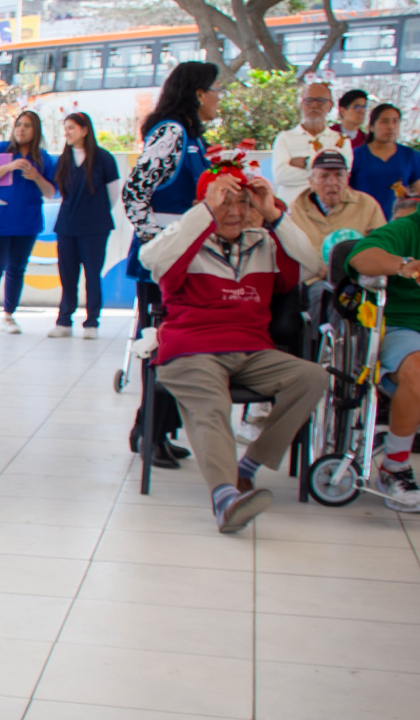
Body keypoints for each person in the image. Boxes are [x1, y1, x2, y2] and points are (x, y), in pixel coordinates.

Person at [141, 164, 325, 532]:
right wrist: (205, 212)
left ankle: (249, 467)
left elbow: (313, 263)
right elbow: (151, 260)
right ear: (205, 204)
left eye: (243, 202)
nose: (236, 212)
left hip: (251, 349)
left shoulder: (264, 243)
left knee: (312, 377)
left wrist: (274, 213)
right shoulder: (186, 240)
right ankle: (225, 498)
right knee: (212, 405)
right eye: (226, 202)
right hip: (191, 348)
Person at [121, 61, 221, 469]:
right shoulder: (171, 133)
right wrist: (158, 245)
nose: (219, 98)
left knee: (181, 342)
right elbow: (134, 192)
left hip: (189, 259)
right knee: (161, 344)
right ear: (198, 93)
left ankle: (158, 428)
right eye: (215, 90)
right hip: (164, 263)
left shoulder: (194, 138)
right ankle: (149, 432)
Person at [347, 209, 420, 509]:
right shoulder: (406, 230)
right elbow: (359, 258)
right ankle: (395, 466)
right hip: (405, 328)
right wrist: (404, 265)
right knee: (418, 373)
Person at [0, 110, 56, 335]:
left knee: (16, 269)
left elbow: (51, 192)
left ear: (35, 130)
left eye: (27, 125)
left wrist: (36, 177)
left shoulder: (42, 158)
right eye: (19, 124)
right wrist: (9, 167)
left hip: (27, 223)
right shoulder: (1, 150)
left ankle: (9, 316)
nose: (21, 129)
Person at [49, 111, 120, 338]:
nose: (67, 132)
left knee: (92, 274)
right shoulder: (64, 160)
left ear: (85, 130)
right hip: (67, 226)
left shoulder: (104, 158)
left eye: (72, 127)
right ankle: (64, 321)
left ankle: (91, 322)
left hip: (95, 227)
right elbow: (57, 192)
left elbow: (113, 193)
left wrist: (95, 214)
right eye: (66, 128)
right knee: (67, 274)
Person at [286, 149, 384, 293]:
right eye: (324, 176)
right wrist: (318, 268)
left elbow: (382, 245)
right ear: (311, 181)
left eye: (339, 175)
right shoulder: (295, 210)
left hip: (359, 279)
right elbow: (289, 253)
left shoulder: (367, 204)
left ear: (347, 178)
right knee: (324, 295)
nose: (332, 182)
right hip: (315, 281)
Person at [271, 81, 350, 204]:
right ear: (302, 104)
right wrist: (324, 173)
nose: (314, 105)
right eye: (309, 101)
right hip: (290, 211)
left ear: (330, 106)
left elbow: (342, 178)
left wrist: (306, 162)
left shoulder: (341, 141)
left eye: (320, 101)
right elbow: (280, 176)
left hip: (327, 213)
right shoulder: (285, 138)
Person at [351, 103, 420, 220]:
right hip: (362, 221)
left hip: (398, 223)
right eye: (385, 121)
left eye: (395, 121)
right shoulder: (355, 155)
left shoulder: (410, 155)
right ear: (371, 126)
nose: (391, 127)